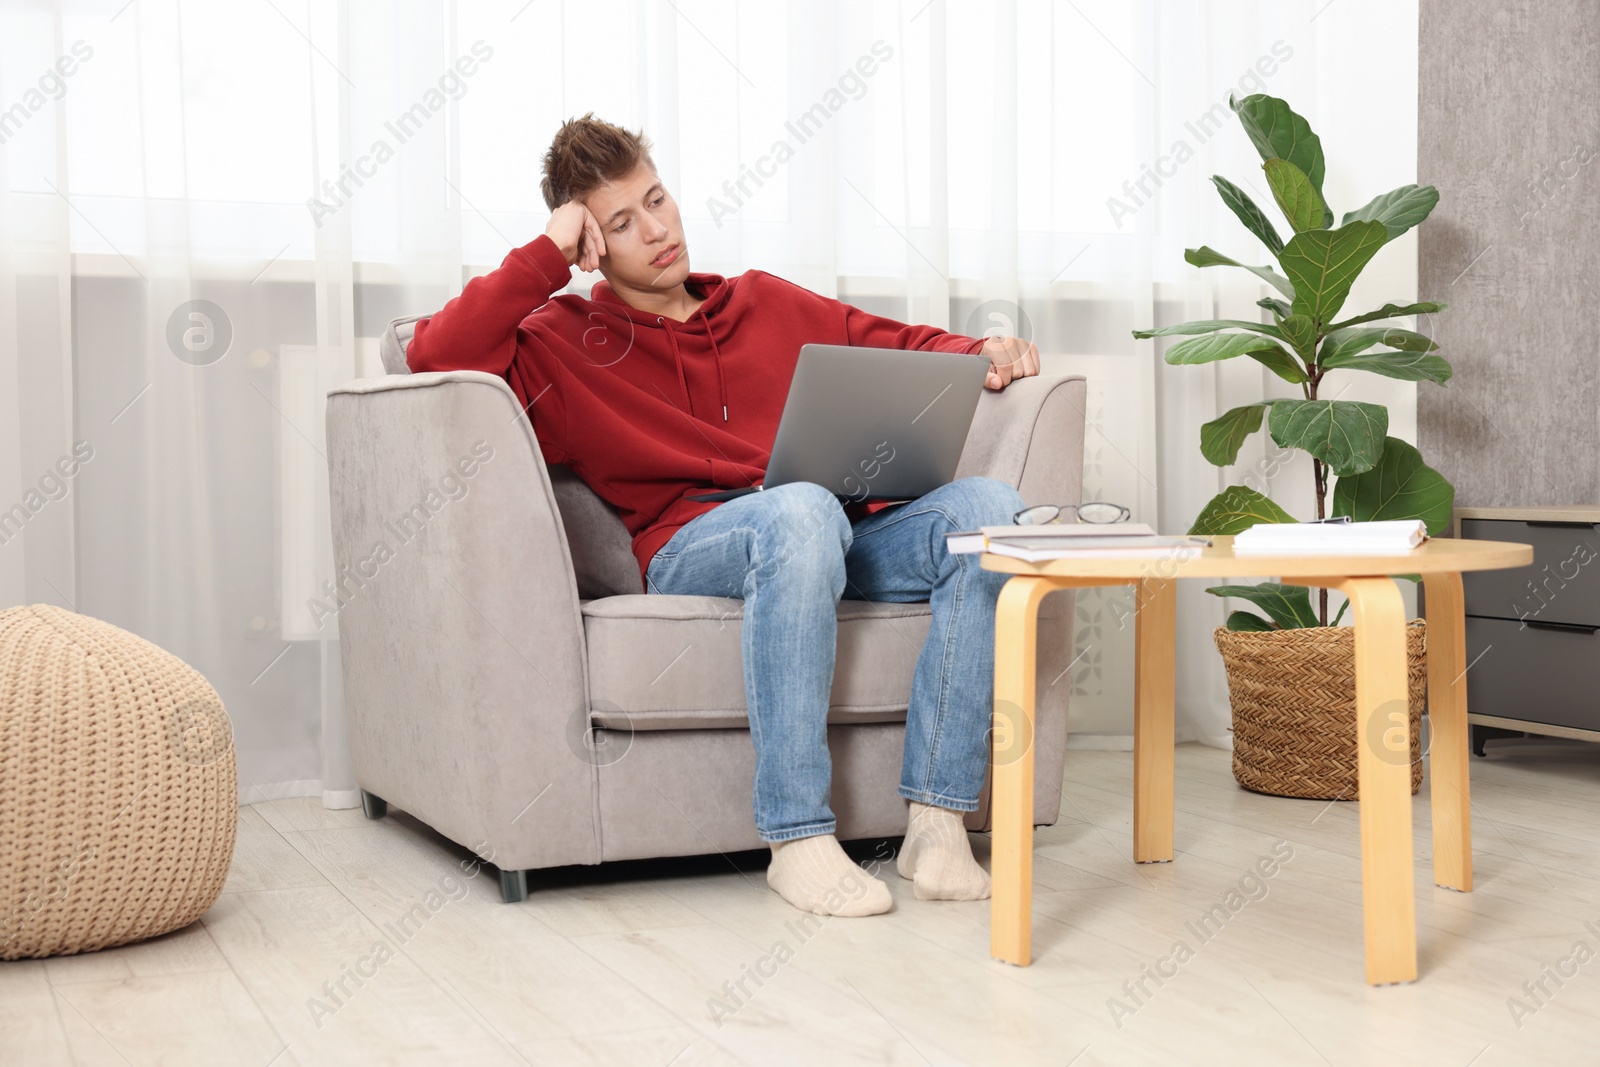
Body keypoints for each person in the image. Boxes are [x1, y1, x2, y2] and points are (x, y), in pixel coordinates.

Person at [406, 114, 1041, 917]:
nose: (658, 230)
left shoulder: (765, 301)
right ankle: (798, 835)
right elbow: (431, 356)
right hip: (695, 540)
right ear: (588, 246)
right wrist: (544, 254)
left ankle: (938, 820)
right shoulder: (563, 342)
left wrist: (981, 349)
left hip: (832, 525)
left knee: (991, 510)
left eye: (657, 200)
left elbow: (896, 342)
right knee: (801, 513)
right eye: (620, 223)